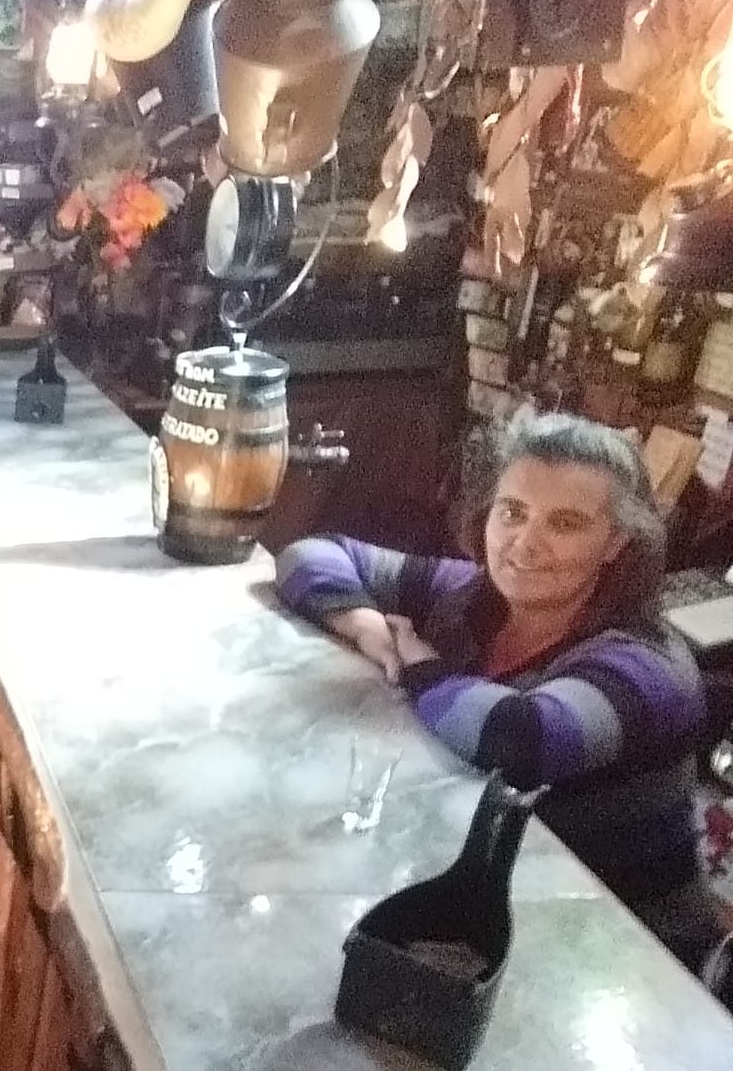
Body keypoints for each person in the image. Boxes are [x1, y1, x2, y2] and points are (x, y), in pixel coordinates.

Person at [275, 410, 730, 973]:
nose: (525, 543)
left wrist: (420, 663)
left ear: (615, 541)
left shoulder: (649, 664)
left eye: (565, 523)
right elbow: (311, 553)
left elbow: (519, 738)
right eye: (512, 512)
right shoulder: (472, 594)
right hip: (509, 909)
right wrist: (363, 621)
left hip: (630, 956)